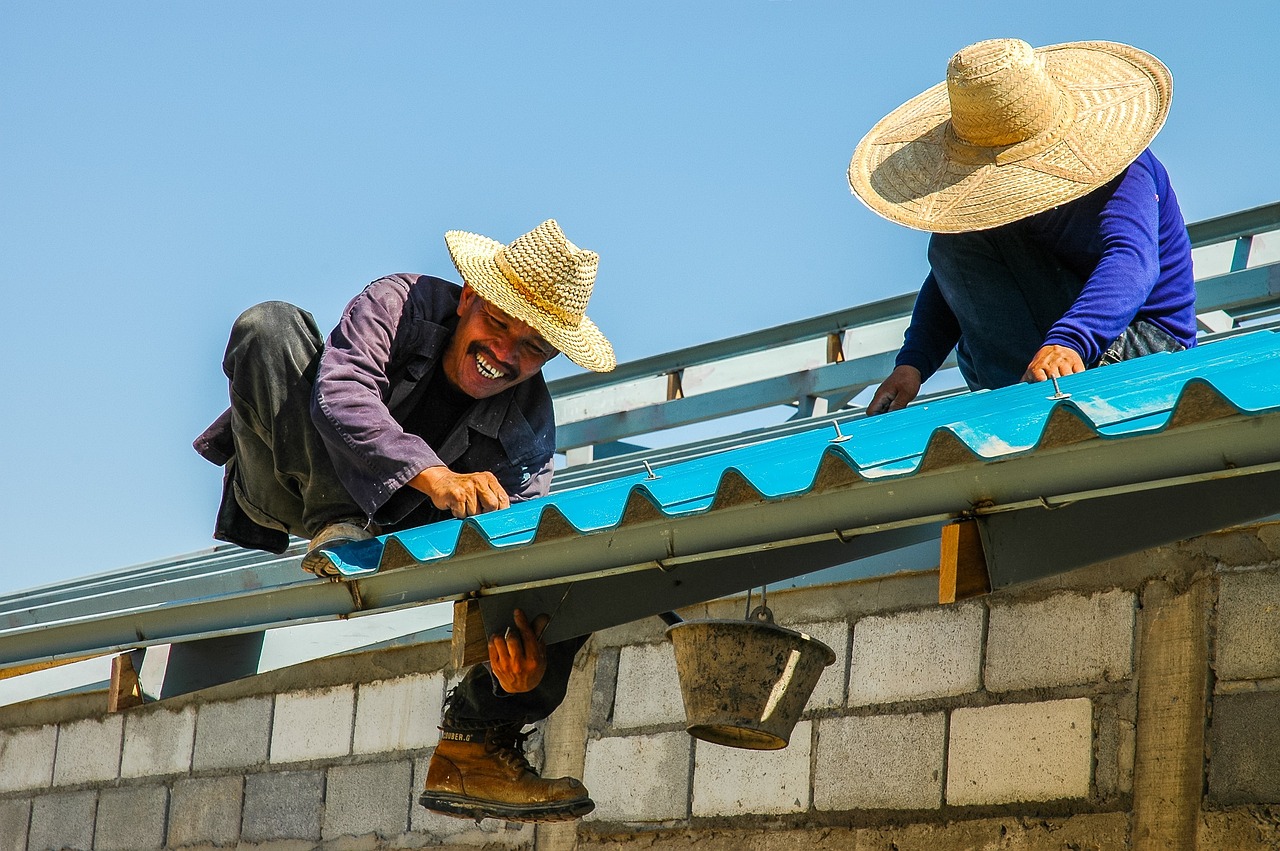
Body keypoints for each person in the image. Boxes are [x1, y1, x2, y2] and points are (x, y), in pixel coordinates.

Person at [194, 219, 614, 822]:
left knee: (567, 566)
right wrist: (435, 475)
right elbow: (340, 395)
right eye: (497, 325)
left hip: (400, 529)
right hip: (292, 480)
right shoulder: (397, 303)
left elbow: (522, 559)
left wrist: (524, 681)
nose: (504, 355)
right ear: (470, 297)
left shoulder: (528, 425)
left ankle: (475, 746)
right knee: (269, 327)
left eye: (532, 349)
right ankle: (335, 520)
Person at [846, 38, 1198, 415]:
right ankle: (1020, 405)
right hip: (1041, 352)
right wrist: (913, 364)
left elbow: (1131, 262)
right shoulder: (986, 199)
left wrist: (1070, 342)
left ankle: (1025, 404)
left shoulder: (1126, 171)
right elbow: (955, 279)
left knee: (959, 248)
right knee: (953, 244)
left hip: (1140, 340)